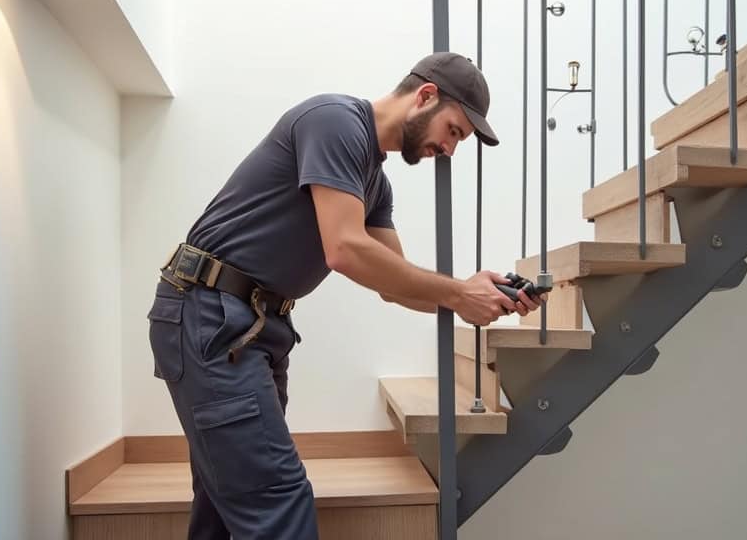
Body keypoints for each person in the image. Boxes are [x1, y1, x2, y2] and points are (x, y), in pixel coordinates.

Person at [146, 51, 545, 540]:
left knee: (226, 505)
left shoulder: (375, 184)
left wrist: (479, 295)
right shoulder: (336, 121)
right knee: (277, 500)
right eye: (454, 131)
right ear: (426, 96)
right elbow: (346, 249)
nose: (450, 148)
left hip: (249, 328)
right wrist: (458, 293)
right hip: (211, 316)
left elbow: (392, 284)